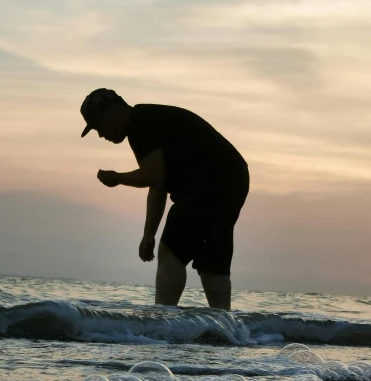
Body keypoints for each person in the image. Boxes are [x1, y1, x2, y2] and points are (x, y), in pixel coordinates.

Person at [80, 88, 249, 310]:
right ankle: (224, 328)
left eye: (98, 126)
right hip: (232, 179)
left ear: (113, 111)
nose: (101, 134)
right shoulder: (148, 120)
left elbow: (152, 175)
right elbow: (158, 184)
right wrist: (149, 233)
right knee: (212, 261)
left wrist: (117, 178)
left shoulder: (141, 124)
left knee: (171, 251)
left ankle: (163, 321)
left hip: (210, 183)